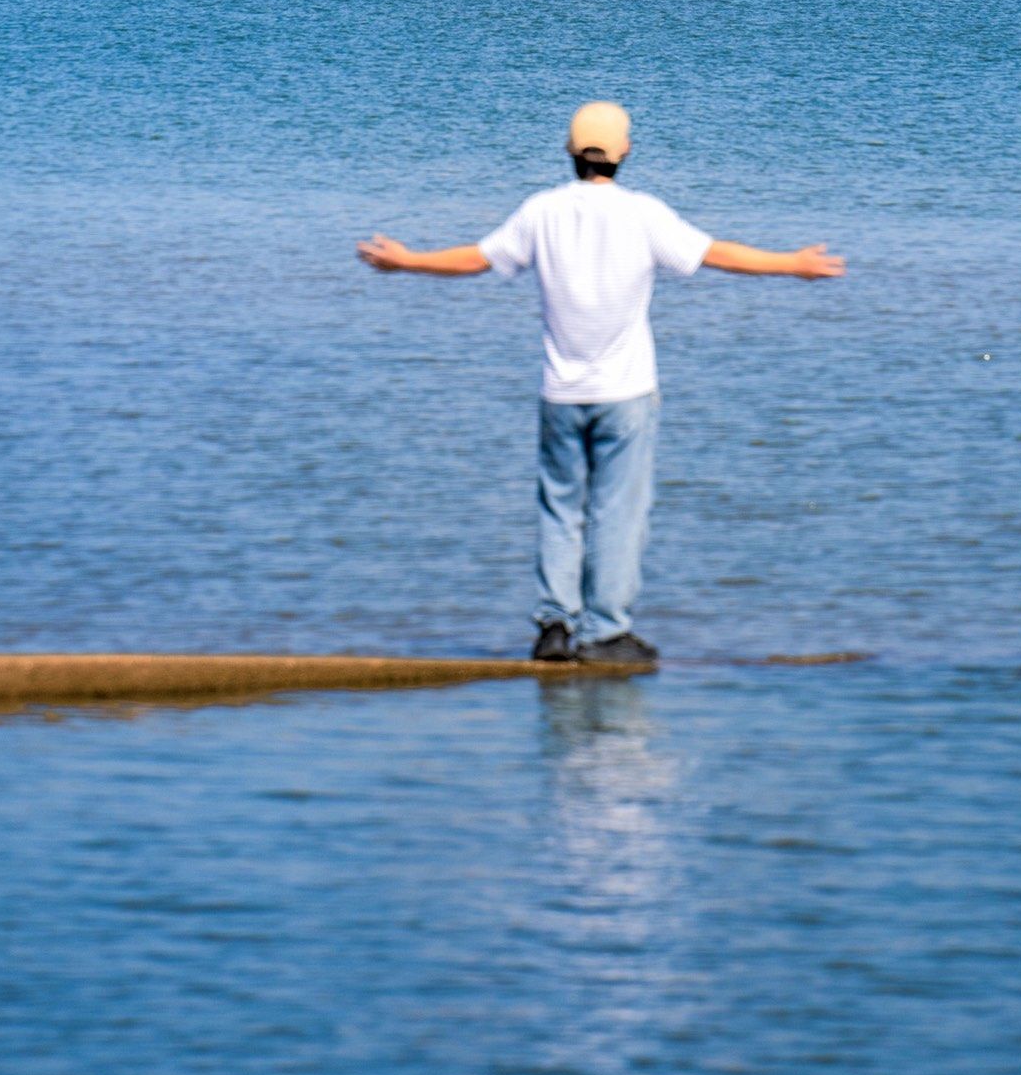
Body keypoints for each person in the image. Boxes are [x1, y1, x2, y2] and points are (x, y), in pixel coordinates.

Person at [357, 99, 843, 670]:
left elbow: (475, 259)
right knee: (618, 513)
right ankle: (606, 632)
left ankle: (555, 627)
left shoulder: (541, 211)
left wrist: (408, 261)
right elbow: (716, 254)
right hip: (626, 394)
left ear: (569, 151)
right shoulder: (643, 214)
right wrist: (792, 264)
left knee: (559, 509)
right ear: (625, 152)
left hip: (560, 393)